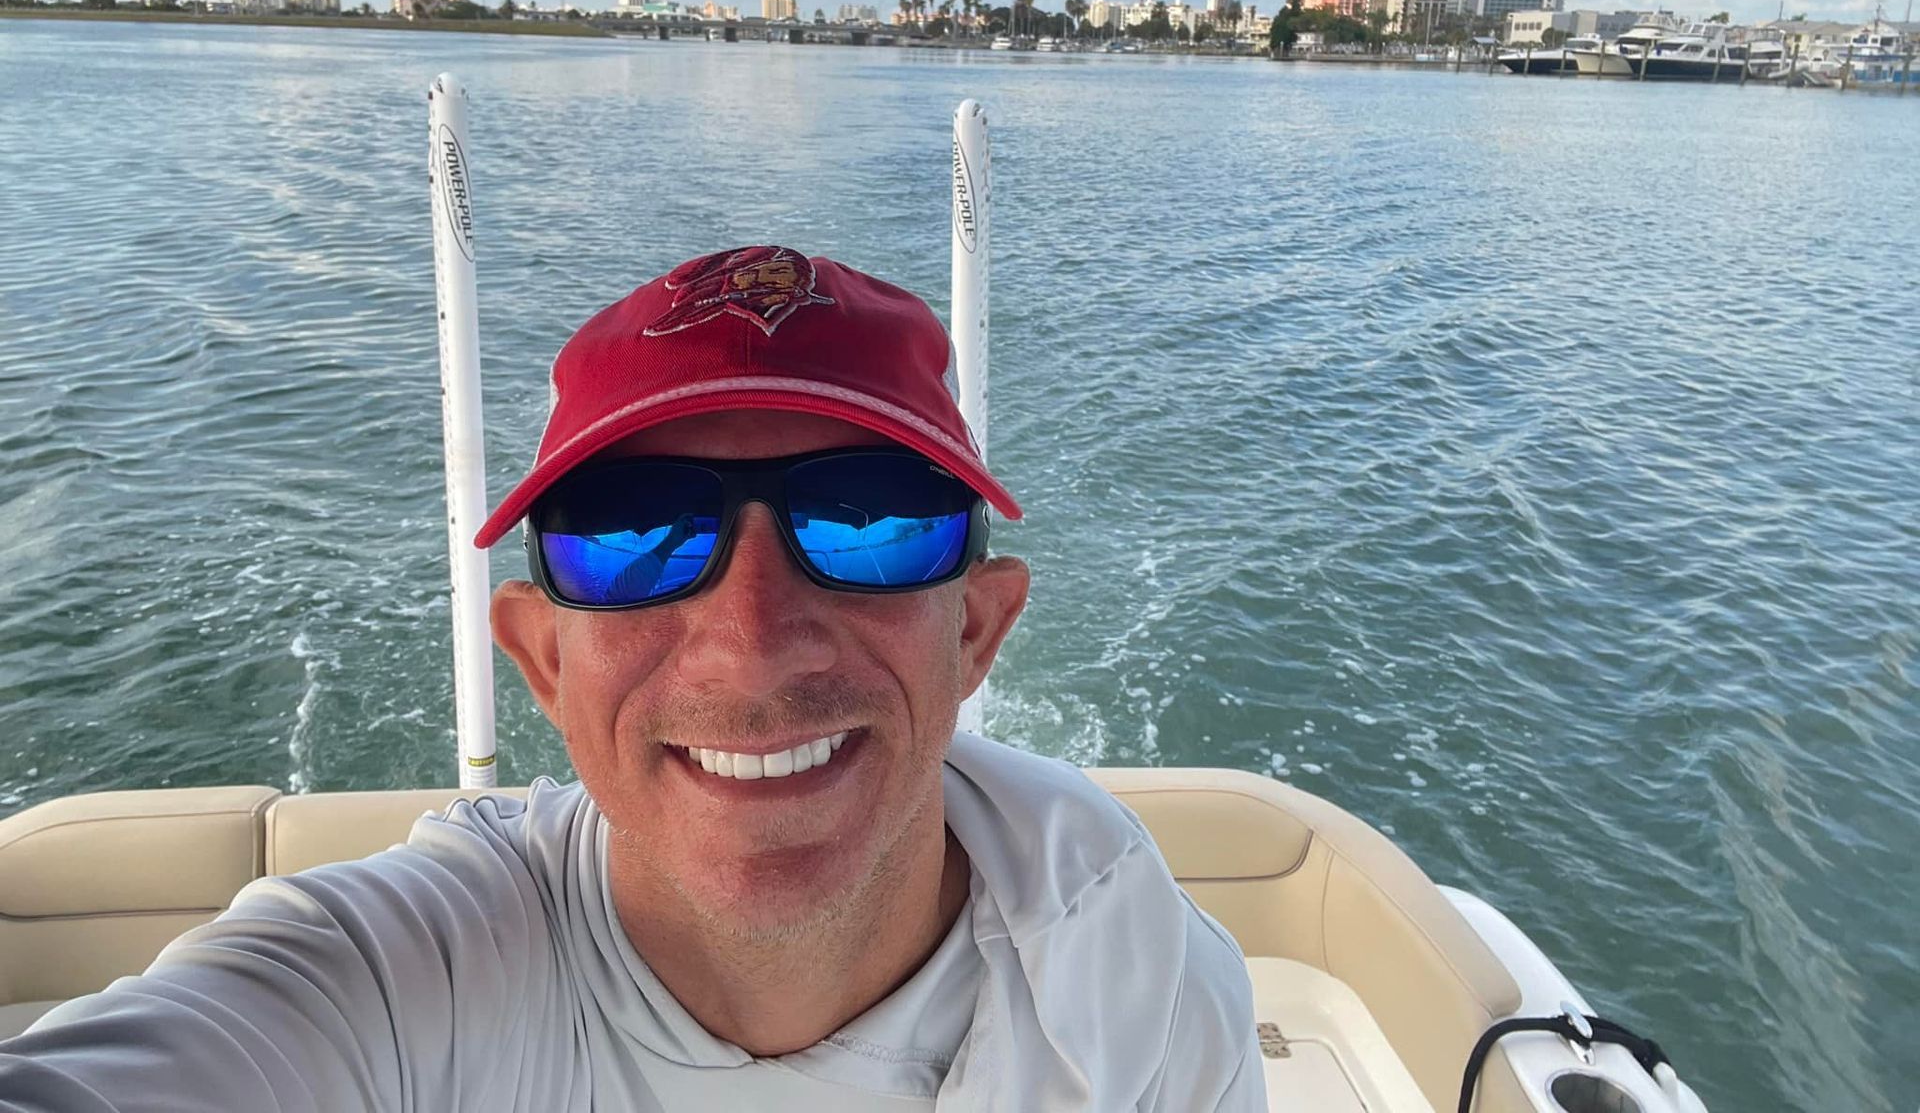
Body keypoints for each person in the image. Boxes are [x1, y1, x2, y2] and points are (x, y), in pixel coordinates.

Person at [0, 245, 1262, 1110]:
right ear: (543, 663)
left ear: (979, 631)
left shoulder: (1139, 993)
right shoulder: (401, 981)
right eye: (630, 535)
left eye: (867, 518)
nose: (753, 635)